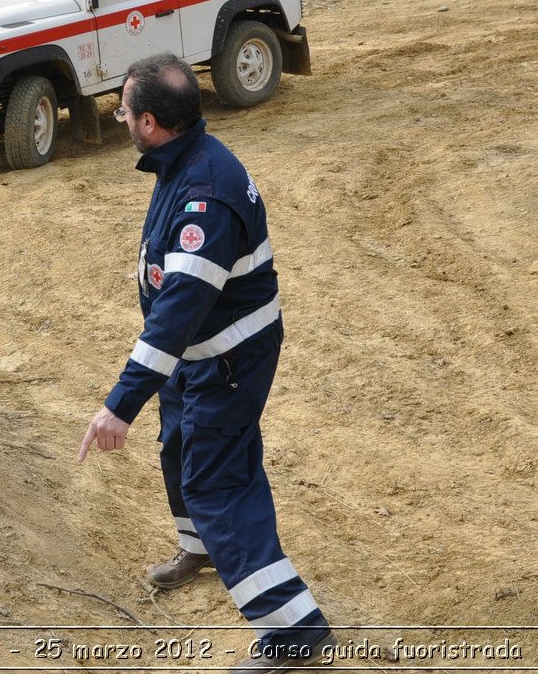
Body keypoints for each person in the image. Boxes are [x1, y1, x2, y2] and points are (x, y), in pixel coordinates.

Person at [78, 53, 335, 672]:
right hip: (198, 351)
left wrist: (120, 405)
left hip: (228, 356)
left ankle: (292, 628)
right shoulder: (185, 159)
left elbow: (180, 310)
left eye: (122, 112)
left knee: (218, 480)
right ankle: (200, 547)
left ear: (148, 123)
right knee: (180, 446)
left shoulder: (206, 197)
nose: (119, 120)